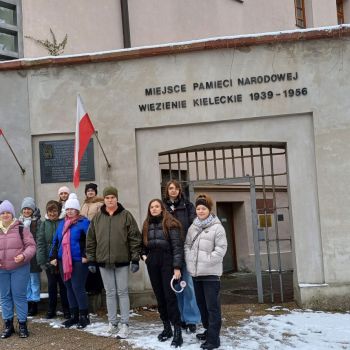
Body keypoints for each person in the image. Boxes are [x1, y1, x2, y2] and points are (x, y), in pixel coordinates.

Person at [86, 186, 142, 339]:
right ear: (103, 199)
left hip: (122, 261)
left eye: (112, 197)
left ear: (117, 198)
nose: (110, 200)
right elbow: (90, 239)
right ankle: (112, 323)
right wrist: (91, 259)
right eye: (107, 198)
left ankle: (125, 324)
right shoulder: (98, 217)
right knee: (110, 293)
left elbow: (135, 238)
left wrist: (135, 258)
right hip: (103, 262)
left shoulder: (126, 215)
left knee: (122, 292)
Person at [185, 194, 227, 350]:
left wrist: (207, 261)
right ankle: (209, 331)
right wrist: (190, 261)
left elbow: (221, 249)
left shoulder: (217, 227)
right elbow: (187, 246)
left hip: (210, 274)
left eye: (204, 208)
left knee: (212, 307)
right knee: (202, 306)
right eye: (198, 208)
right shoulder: (193, 227)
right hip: (196, 274)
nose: (200, 211)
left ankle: (214, 339)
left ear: (209, 210)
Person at [141, 199, 184, 347]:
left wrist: (177, 267)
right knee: (159, 297)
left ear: (162, 208)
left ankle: (177, 331)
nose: (154, 209)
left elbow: (177, 247)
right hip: (153, 262)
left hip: (167, 261)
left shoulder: (170, 223)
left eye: (156, 206)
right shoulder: (147, 224)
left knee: (170, 297)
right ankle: (167, 328)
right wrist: (145, 257)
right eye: (151, 207)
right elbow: (142, 245)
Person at [164, 180, 200, 332]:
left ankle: (191, 319)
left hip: (185, 251)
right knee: (176, 287)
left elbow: (194, 226)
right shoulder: (163, 207)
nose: (173, 191)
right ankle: (180, 318)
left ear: (179, 190)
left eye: (175, 188)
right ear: (167, 191)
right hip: (169, 252)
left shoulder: (188, 206)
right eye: (170, 188)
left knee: (189, 287)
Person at [49, 193, 90, 329]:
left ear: (77, 210)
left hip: (79, 260)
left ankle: (84, 316)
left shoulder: (84, 223)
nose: (70, 211)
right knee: (68, 287)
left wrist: (86, 254)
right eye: (67, 209)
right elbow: (56, 241)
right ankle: (74, 316)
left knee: (78, 287)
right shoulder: (62, 224)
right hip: (63, 261)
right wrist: (53, 257)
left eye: (72, 209)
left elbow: (90, 240)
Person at [0, 200, 36, 338]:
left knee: (19, 296)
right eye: (2, 213)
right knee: (4, 297)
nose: (5, 215)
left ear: (12, 214)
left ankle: (22, 325)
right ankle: (8, 325)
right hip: (2, 270)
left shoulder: (22, 228)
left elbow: (32, 247)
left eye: (8, 212)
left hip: (19, 268)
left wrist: (23, 255)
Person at [36, 200, 70, 319]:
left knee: (63, 285)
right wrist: (42, 260)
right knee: (51, 286)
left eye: (54, 211)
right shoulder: (44, 224)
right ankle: (51, 309)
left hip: (61, 258)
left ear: (59, 211)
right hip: (48, 259)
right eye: (50, 211)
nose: (52, 214)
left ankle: (67, 309)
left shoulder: (64, 222)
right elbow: (40, 243)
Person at [19, 197, 42, 317]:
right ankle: (27, 301)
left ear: (32, 210)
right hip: (22, 256)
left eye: (29, 209)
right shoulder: (18, 222)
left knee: (34, 280)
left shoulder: (37, 222)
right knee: (25, 280)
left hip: (34, 255)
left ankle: (35, 302)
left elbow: (39, 238)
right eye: (25, 209)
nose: (27, 211)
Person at [80, 183, 104, 296]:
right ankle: (88, 286)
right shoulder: (84, 204)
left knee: (95, 260)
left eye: (92, 190)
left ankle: (97, 287)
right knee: (88, 260)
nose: (90, 192)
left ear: (95, 192)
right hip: (85, 235)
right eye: (88, 190)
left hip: (95, 234)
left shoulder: (100, 204)